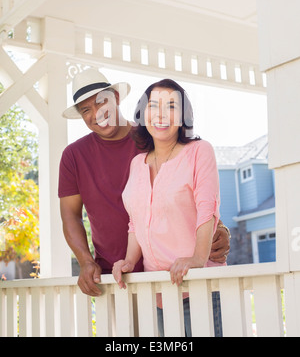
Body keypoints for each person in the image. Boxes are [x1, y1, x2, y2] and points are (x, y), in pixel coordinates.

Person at [58, 69, 230, 302]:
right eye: (86, 110)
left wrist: (220, 231)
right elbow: (70, 215)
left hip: (173, 274)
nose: (97, 113)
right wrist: (86, 262)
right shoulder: (74, 156)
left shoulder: (154, 135)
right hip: (116, 275)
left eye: (102, 102)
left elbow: (200, 191)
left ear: (116, 99)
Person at [112, 79, 226, 337]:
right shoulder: (137, 163)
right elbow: (136, 222)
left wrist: (197, 258)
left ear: (183, 116)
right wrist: (129, 261)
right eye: (154, 106)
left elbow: (208, 209)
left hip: (200, 289)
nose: (162, 114)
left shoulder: (199, 151)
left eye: (172, 106)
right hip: (159, 293)